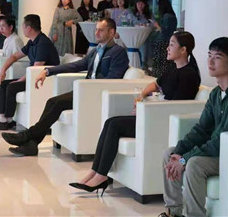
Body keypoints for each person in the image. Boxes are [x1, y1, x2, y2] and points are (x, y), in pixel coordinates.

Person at [69, 31, 201, 195]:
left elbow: (177, 106)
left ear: (183, 50)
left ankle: (101, 176)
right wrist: (141, 96)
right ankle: (94, 171)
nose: (167, 48)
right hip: (153, 115)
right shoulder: (173, 69)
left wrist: (149, 107)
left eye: (172, 45)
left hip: (161, 121)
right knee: (110, 122)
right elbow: (155, 85)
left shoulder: (189, 75)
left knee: (114, 125)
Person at [160, 37, 228, 217]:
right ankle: (174, 212)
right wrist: (179, 152)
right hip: (221, 152)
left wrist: (185, 159)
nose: (210, 61)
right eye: (209, 55)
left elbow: (223, 140)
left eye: (217, 57)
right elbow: (201, 129)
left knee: (194, 164)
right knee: (168, 154)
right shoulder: (216, 93)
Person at [0, 18, 129, 157]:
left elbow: (112, 80)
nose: (96, 33)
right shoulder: (95, 51)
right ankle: (31, 144)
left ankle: (26, 135)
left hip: (95, 93)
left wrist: (89, 86)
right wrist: (48, 71)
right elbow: (77, 65)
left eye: (101, 30)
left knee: (58, 103)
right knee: (52, 101)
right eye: (96, 29)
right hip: (84, 91)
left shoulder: (118, 52)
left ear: (111, 32)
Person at [0, 14, 60, 128]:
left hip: (43, 79)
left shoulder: (43, 43)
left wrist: (20, 80)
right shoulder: (32, 42)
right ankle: (2, 118)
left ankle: (7, 120)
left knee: (12, 86)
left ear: (29, 28)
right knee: (3, 84)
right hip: (33, 76)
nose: (22, 29)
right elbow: (14, 56)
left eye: (23, 27)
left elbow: (36, 68)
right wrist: (3, 70)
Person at [152, 0, 178, 78]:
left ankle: (158, 77)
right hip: (168, 41)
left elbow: (164, 30)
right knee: (167, 62)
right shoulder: (173, 16)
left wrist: (157, 26)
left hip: (162, 41)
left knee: (160, 61)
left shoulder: (166, 16)